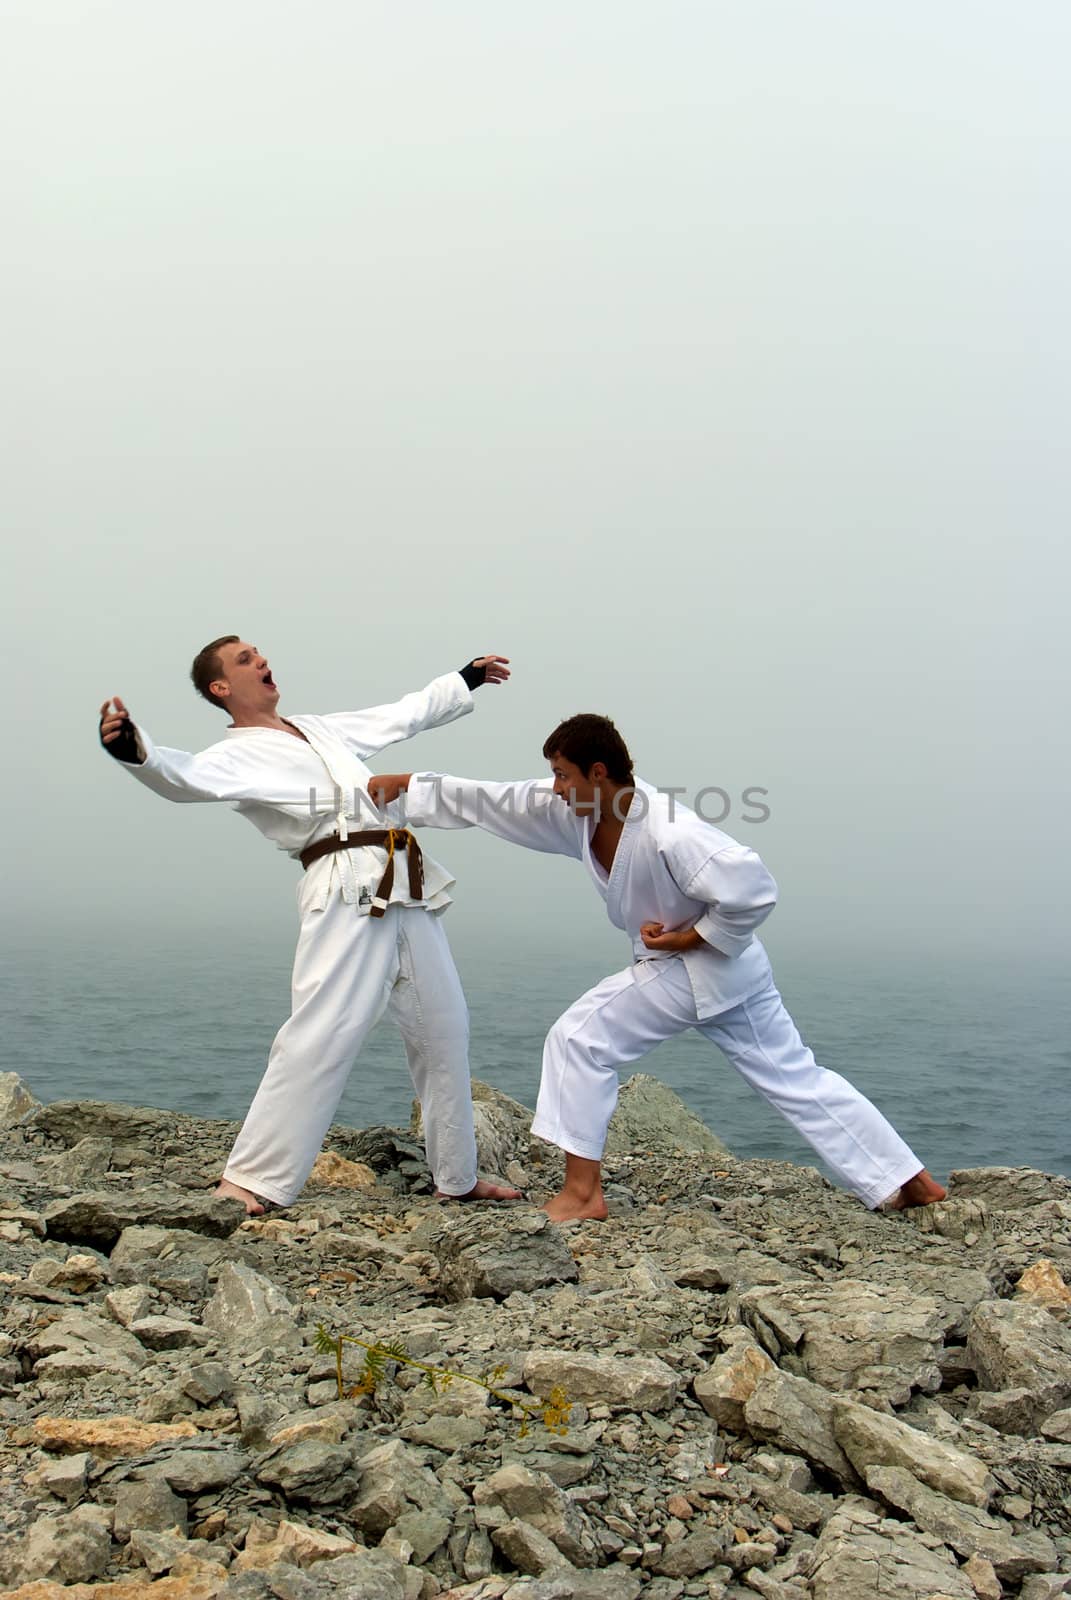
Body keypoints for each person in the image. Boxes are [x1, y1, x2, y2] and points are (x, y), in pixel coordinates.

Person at [372, 714, 948, 1222]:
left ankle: (581, 1194)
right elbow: (497, 800)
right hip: (738, 974)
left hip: (692, 969)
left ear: (599, 773)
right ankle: (910, 1182)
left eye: (564, 775)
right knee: (798, 1079)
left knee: (580, 1039)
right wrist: (411, 788)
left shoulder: (671, 829)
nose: (555, 788)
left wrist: (692, 936)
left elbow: (752, 889)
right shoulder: (580, 812)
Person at [98, 636, 522, 1215]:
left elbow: (398, 715)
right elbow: (181, 776)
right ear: (221, 689)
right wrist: (133, 748)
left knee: (444, 1029)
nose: (261, 660)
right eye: (244, 660)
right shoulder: (232, 754)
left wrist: (462, 680)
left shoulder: (320, 730)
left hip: (399, 874)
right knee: (324, 1028)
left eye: (257, 652)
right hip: (342, 879)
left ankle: (458, 1175)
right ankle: (251, 1180)